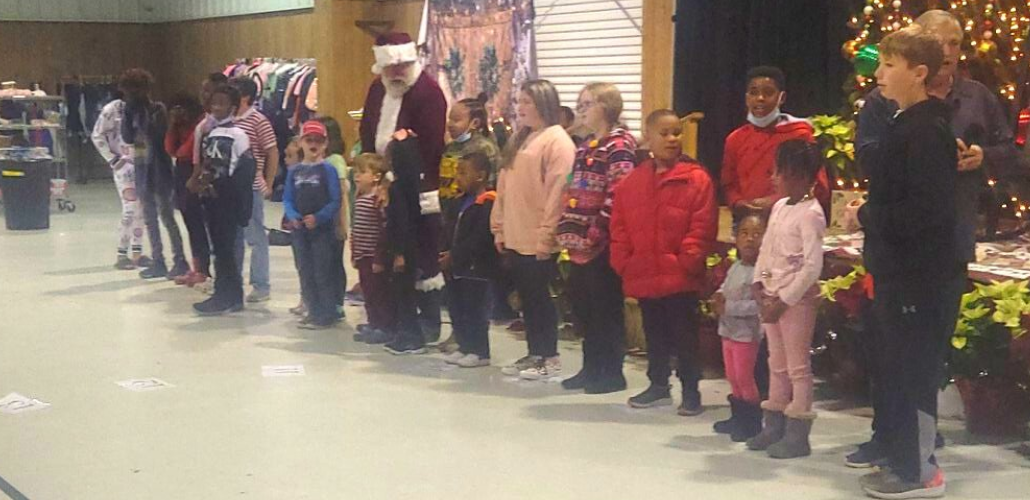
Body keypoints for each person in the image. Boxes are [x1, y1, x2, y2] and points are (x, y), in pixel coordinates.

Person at [850, 9, 1019, 471]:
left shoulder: (965, 103)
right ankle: (892, 439)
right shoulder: (887, 105)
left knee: (922, 353)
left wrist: (978, 156)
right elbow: (872, 159)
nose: (949, 52)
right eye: (938, 41)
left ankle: (915, 450)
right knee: (890, 350)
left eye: (956, 44)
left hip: (939, 243)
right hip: (897, 248)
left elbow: (1011, 154)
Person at [856, 26, 959, 499]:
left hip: (917, 279)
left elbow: (927, 213)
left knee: (914, 373)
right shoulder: (904, 123)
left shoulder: (926, 130)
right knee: (896, 369)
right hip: (897, 274)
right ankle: (901, 459)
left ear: (919, 73)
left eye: (889, 65)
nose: (879, 73)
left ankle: (919, 472)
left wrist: (869, 214)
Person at [610, 109, 717, 416]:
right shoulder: (632, 183)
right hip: (644, 272)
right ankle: (658, 385)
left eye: (677, 133)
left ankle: (691, 390)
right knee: (653, 332)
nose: (672, 139)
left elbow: (702, 225)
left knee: (685, 336)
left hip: (680, 276)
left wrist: (688, 260)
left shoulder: (696, 179)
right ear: (649, 138)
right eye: (665, 133)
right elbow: (619, 226)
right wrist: (625, 262)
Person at [359, 32, 448, 344]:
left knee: (421, 256)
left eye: (402, 67)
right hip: (382, 184)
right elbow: (367, 132)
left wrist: (397, 180)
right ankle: (391, 319)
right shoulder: (376, 89)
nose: (397, 73)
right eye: (390, 68)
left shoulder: (429, 93)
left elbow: (430, 147)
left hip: (417, 188)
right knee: (384, 253)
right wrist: (372, 175)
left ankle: (427, 324)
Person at [745, 140, 825, 459]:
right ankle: (773, 424)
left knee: (797, 367)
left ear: (803, 176)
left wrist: (786, 299)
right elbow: (767, 249)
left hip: (796, 302)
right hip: (772, 297)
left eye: (782, 172)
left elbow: (812, 265)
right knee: (775, 363)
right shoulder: (779, 207)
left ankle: (798, 433)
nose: (774, 177)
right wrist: (758, 285)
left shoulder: (812, 214)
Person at [491, 80, 576, 380]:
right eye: (519, 101)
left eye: (527, 101)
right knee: (527, 299)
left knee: (540, 299)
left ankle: (549, 357)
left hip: (537, 235)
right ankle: (534, 352)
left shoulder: (557, 141)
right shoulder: (521, 138)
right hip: (516, 232)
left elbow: (558, 193)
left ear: (543, 103)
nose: (521, 107)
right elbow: (503, 186)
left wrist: (546, 234)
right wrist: (498, 226)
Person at [557, 82, 637, 394]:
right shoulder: (586, 145)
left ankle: (610, 372)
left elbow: (620, 190)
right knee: (584, 307)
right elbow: (572, 185)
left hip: (601, 243)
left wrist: (597, 228)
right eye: (580, 103)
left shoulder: (618, 145)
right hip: (577, 241)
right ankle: (590, 366)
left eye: (587, 103)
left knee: (605, 308)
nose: (581, 109)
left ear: (606, 107)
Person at [437, 93, 502, 352]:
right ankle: (460, 334)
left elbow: (489, 186)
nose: (450, 124)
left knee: (472, 293)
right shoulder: (450, 148)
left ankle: (473, 341)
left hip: (474, 215)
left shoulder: (483, 149)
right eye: (449, 119)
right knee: (454, 289)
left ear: (474, 123)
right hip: (451, 213)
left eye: (456, 118)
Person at [721, 66, 830, 217]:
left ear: (782, 98)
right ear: (746, 98)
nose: (760, 98)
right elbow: (729, 184)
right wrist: (738, 203)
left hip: (790, 220)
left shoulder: (799, 135)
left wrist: (776, 202)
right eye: (754, 93)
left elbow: (818, 186)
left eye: (768, 93)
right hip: (747, 223)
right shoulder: (735, 139)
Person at [189, 84, 256, 316]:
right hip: (211, 200)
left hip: (229, 201)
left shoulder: (239, 135)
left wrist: (241, 206)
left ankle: (227, 295)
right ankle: (227, 294)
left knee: (226, 251)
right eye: (214, 103)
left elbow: (245, 170)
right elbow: (208, 164)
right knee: (218, 249)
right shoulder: (210, 134)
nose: (217, 107)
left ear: (234, 108)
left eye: (222, 103)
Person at [119, 68, 189, 280]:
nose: (130, 97)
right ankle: (158, 261)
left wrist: (143, 115)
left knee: (167, 215)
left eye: (133, 92)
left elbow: (158, 135)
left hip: (160, 167)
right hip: (142, 167)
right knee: (149, 217)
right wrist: (128, 114)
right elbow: (128, 138)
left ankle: (180, 260)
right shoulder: (129, 110)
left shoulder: (158, 109)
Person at [439, 152, 500, 368]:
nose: (458, 177)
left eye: (464, 173)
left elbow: (480, 237)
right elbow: (448, 230)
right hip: (456, 267)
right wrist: (445, 252)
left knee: (475, 310)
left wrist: (455, 255)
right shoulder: (458, 203)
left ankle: (480, 351)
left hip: (477, 267)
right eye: (457, 172)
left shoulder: (487, 203)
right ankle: (464, 345)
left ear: (481, 175)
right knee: (458, 308)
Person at [711, 213, 766, 442]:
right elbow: (726, 286)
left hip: (747, 333)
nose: (749, 239)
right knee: (732, 376)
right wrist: (718, 296)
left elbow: (759, 306)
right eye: (744, 233)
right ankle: (737, 416)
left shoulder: (761, 271)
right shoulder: (736, 266)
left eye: (756, 234)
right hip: (728, 331)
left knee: (745, 377)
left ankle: (751, 421)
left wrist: (729, 307)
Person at [284, 121, 343, 330]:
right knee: (305, 270)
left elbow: (335, 200)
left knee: (322, 270)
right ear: (301, 142)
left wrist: (319, 218)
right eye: (309, 140)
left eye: (318, 141)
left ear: (325, 144)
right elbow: (288, 198)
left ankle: (326, 312)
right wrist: (292, 216)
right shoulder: (294, 171)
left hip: (322, 230)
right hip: (300, 230)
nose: (313, 144)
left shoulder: (328, 170)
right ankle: (313, 309)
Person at [229, 77, 279, 304]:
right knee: (234, 237)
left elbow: (272, 152)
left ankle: (261, 284)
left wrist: (268, 182)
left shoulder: (258, 120)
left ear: (245, 96)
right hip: (229, 186)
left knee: (256, 235)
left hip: (251, 186)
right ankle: (233, 281)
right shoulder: (226, 120)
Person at [382, 130, 428, 355]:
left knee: (405, 294)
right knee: (406, 293)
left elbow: (400, 222)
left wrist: (398, 253)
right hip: (411, 246)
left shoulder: (398, 190)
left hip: (403, 249)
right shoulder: (412, 187)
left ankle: (412, 337)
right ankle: (408, 333)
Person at [91, 89, 147, 270]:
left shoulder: (145, 107)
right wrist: (113, 159)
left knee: (141, 209)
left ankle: (137, 253)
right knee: (130, 209)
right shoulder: (112, 109)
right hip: (123, 166)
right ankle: (122, 254)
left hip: (142, 163)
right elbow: (97, 134)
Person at [164, 91, 210, 288]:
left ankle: (204, 269)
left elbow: (187, 150)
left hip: (196, 170)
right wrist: (173, 125)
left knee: (200, 225)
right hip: (181, 170)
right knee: (190, 223)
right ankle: (197, 268)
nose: (179, 113)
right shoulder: (179, 125)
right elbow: (171, 149)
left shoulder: (202, 123)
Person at [350, 153, 394, 343]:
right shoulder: (360, 197)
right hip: (362, 253)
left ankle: (384, 326)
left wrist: (379, 256)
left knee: (379, 292)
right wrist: (354, 251)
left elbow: (382, 228)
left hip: (374, 255)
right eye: (355, 172)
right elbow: (357, 226)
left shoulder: (378, 198)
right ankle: (373, 322)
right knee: (367, 291)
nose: (357, 176)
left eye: (362, 172)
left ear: (376, 176)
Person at [318, 116, 351, 320]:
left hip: (333, 221)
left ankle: (335, 303)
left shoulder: (335, 161)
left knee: (333, 264)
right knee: (323, 264)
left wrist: (341, 223)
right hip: (321, 221)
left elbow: (341, 194)